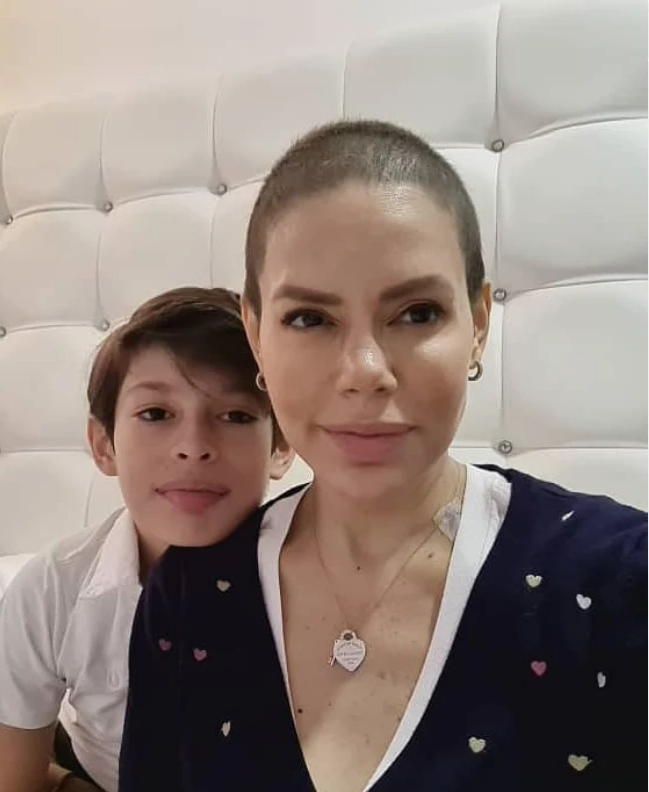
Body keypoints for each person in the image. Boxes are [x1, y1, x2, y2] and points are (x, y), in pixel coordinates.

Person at [118, 121, 647, 792]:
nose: (364, 371)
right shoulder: (191, 595)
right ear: (255, 335)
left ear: (478, 325)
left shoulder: (617, 583)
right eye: (309, 319)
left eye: (417, 312)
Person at [0, 287, 292, 792]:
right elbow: (7, 776)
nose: (193, 447)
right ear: (104, 445)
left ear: (281, 447)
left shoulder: (316, 578)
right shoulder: (55, 585)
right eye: (156, 414)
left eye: (236, 415)